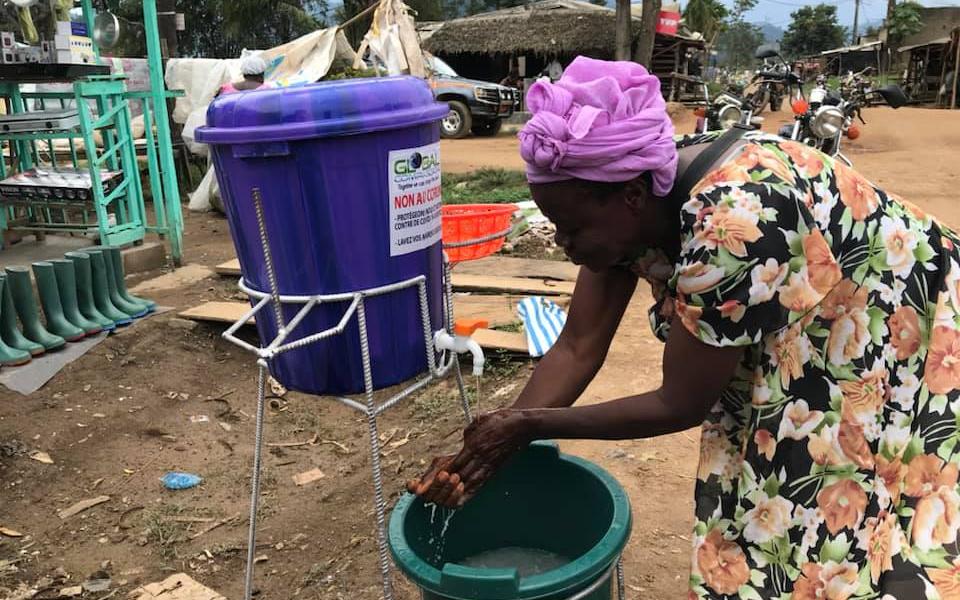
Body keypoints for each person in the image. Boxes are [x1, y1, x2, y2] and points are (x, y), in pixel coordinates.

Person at [409, 56, 960, 600]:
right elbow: (577, 347)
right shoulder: (633, 193)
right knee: (779, 484)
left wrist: (526, 426)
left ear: (629, 197)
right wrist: (493, 447)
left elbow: (681, 401)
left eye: (571, 227)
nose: (563, 245)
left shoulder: (731, 226)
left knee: (844, 499)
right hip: (814, 307)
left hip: (900, 316)